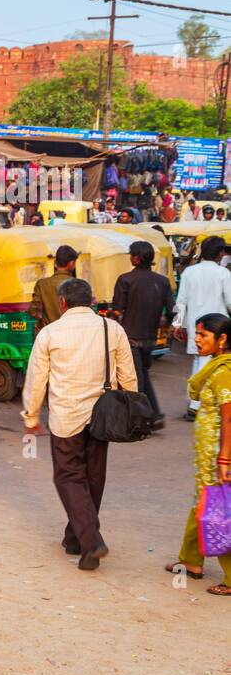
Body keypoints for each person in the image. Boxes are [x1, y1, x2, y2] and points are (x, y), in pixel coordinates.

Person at [22, 277, 137, 570]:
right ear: (92, 300)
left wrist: (31, 416)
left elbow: (37, 380)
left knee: (68, 477)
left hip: (66, 416)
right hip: (103, 417)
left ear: (62, 303)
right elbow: (129, 378)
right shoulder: (112, 329)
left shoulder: (50, 333)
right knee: (94, 476)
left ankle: (90, 541)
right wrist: (130, 409)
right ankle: (76, 538)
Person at [168, 313, 231, 595]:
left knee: (219, 513)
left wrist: (224, 459)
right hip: (208, 455)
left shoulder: (225, 373)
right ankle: (191, 560)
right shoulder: (215, 368)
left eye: (203, 335)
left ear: (222, 340)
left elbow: (229, 419)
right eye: (197, 333)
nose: (196, 339)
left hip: (219, 456)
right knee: (203, 505)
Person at [111, 239, 174, 426]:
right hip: (150, 338)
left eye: (131, 255)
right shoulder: (162, 282)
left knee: (135, 379)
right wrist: (168, 324)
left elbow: (117, 310)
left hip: (130, 338)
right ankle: (154, 414)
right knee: (142, 375)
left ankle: (141, 420)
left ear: (136, 259)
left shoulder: (125, 280)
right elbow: (174, 310)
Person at [174, 236, 231, 420]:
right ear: (221, 253)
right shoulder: (223, 274)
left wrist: (178, 325)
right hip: (218, 325)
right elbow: (230, 301)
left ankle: (196, 402)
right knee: (210, 363)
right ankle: (197, 403)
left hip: (196, 325)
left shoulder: (189, 272)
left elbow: (181, 302)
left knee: (201, 362)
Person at [30, 246, 77, 329]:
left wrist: (43, 322)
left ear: (56, 263)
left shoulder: (41, 284)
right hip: (72, 332)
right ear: (71, 263)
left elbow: (34, 311)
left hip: (50, 332)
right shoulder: (78, 284)